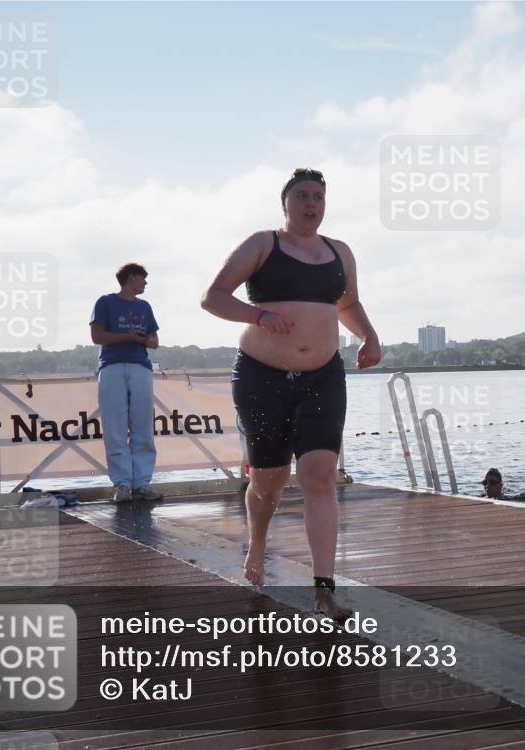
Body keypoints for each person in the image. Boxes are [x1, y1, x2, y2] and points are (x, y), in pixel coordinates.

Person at [201, 168, 381, 621]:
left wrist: (369, 337)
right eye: (302, 195)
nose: (311, 203)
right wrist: (258, 316)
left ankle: (324, 591)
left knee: (319, 475)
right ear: (286, 204)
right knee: (270, 481)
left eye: (319, 196)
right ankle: (257, 544)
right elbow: (213, 296)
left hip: (323, 375)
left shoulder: (340, 252)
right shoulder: (264, 244)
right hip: (262, 377)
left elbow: (348, 303)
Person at [90, 263, 163, 503]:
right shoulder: (105, 302)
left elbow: (154, 341)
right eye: (143, 278)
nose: (145, 283)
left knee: (143, 426)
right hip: (111, 367)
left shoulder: (145, 307)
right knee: (115, 428)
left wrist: (143, 340)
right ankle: (121, 485)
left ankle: (141, 484)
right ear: (132, 278)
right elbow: (97, 336)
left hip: (140, 367)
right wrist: (128, 336)